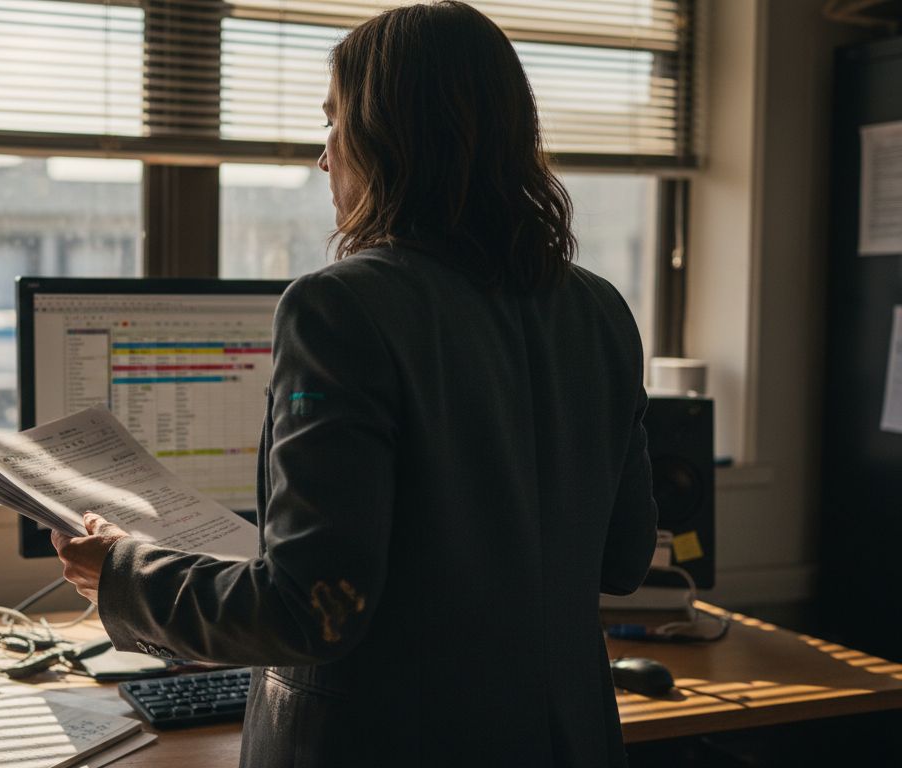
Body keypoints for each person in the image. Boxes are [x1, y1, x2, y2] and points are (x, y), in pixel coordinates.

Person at [53, 2, 658, 765]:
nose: (322, 155)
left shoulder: (340, 306)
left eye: (334, 121)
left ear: (387, 138)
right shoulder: (600, 308)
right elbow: (625, 557)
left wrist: (122, 574)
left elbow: (312, 608)